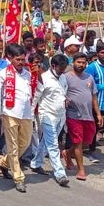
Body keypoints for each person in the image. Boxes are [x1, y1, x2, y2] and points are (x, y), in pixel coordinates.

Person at [0, 44, 35, 192]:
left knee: (25, 142)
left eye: (22, 59)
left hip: (26, 114)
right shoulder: (3, 74)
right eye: (17, 59)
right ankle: (18, 177)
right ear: (9, 58)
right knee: (13, 146)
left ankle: (3, 162)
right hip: (9, 113)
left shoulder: (28, 73)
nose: (20, 62)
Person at [29, 55, 71, 187]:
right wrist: (31, 116)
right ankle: (60, 174)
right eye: (60, 68)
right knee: (53, 144)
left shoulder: (63, 77)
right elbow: (36, 98)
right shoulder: (44, 78)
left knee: (45, 143)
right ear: (53, 66)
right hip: (47, 115)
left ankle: (36, 163)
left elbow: (63, 93)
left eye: (64, 68)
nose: (63, 71)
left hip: (61, 115)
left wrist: (66, 100)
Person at [63, 53, 103, 181]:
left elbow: (94, 97)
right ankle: (81, 169)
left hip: (88, 115)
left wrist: (98, 114)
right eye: (79, 62)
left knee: (87, 142)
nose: (81, 65)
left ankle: (68, 153)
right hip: (73, 115)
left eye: (84, 63)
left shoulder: (89, 78)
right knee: (78, 142)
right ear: (73, 62)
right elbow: (60, 93)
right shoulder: (66, 77)